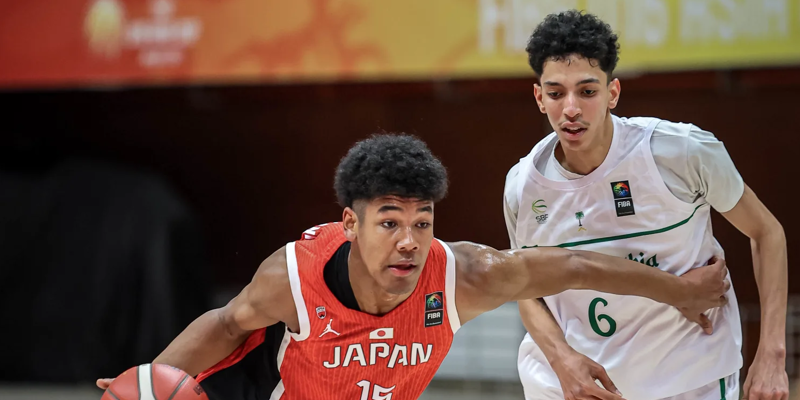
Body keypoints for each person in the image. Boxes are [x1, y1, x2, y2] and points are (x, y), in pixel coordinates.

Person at [98, 134, 729, 400]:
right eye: (390, 223)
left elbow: (576, 266)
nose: (409, 241)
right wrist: (151, 379)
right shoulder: (293, 277)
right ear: (351, 224)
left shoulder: (465, 276)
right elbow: (227, 323)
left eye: (422, 222)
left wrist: (677, 292)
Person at [504, 10, 788, 400]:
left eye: (587, 92)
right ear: (539, 97)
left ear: (613, 93)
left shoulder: (681, 151)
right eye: (556, 93)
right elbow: (525, 288)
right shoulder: (522, 185)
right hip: (572, 384)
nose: (571, 108)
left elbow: (767, 232)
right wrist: (561, 359)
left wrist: (772, 353)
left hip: (687, 378)